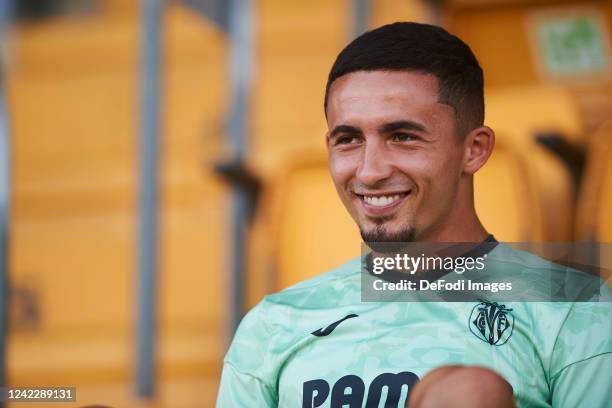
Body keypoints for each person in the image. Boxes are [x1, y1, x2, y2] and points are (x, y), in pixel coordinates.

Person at [216, 22, 611, 407]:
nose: (370, 171)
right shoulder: (274, 324)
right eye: (348, 140)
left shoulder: (576, 312)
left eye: (402, 137)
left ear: (474, 150)